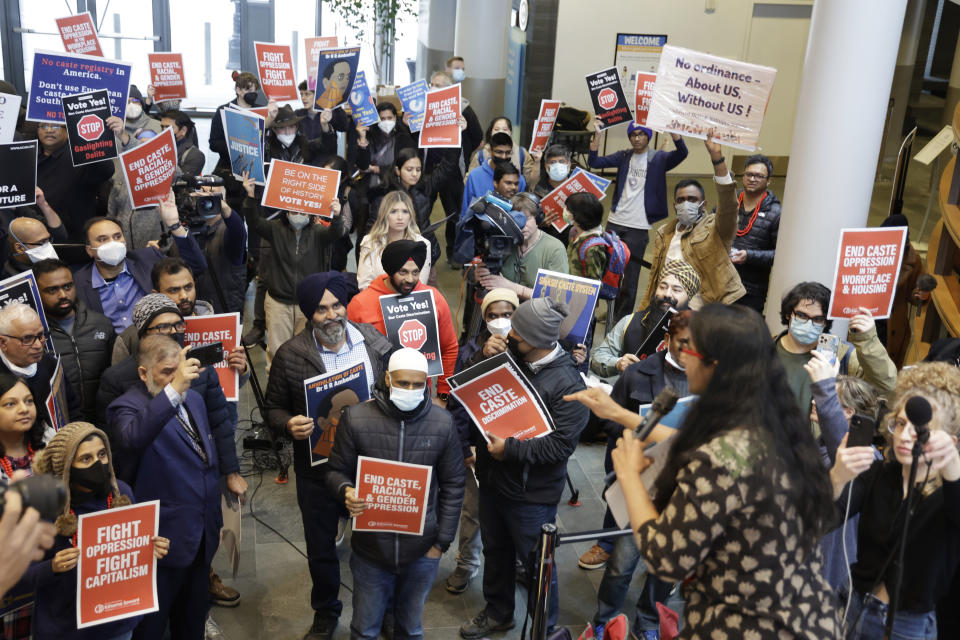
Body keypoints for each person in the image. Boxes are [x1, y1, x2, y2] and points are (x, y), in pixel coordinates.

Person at [567, 303, 842, 638]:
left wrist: (628, 476)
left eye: (691, 348)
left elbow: (666, 557)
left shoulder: (724, 453)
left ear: (715, 364)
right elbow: (687, 441)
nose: (684, 357)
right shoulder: (768, 421)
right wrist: (617, 413)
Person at [264, 272, 393, 640]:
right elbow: (272, 408)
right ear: (309, 314)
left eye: (337, 305)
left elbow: (393, 387)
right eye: (321, 309)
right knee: (321, 548)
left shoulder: (373, 341)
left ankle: (383, 608)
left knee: (378, 544)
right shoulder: (291, 354)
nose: (332, 315)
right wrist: (288, 424)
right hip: (318, 470)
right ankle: (325, 612)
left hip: (370, 462)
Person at [460, 297, 589, 638]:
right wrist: (480, 357)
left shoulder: (569, 384)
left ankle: (544, 628)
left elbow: (561, 445)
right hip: (492, 480)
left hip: (531, 495)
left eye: (517, 329)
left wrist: (512, 450)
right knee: (496, 551)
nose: (509, 332)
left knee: (536, 566)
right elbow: (467, 388)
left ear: (537, 339)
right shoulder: (511, 356)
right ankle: (498, 612)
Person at [327, 348, 466, 639]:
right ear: (388, 378)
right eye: (403, 383)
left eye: (418, 384)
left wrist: (439, 544)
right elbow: (334, 472)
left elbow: (454, 485)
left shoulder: (442, 424)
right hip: (370, 552)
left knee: (410, 630)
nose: (411, 390)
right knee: (364, 630)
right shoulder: (356, 419)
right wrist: (346, 490)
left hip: (422, 552)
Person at [831, 362, 960, 640]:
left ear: (949, 439)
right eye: (900, 423)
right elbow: (823, 518)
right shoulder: (880, 474)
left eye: (919, 428)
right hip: (852, 604)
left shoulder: (948, 494)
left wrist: (952, 467)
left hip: (906, 626)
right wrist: (837, 477)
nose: (904, 435)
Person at [106, 335, 223, 640]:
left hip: (201, 535)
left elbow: (205, 458)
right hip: (159, 542)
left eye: (178, 370)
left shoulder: (194, 399)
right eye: (166, 373)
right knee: (152, 629)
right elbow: (132, 438)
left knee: (193, 621)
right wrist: (171, 392)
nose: (177, 379)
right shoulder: (126, 407)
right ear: (143, 373)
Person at [588, 311, 694, 639]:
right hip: (641, 483)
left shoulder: (711, 380)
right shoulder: (637, 374)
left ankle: (648, 621)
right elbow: (609, 421)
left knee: (664, 568)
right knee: (622, 562)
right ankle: (605, 617)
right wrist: (635, 436)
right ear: (667, 341)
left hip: (682, 490)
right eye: (683, 344)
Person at [25, 421, 170, 640]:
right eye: (86, 458)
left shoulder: (122, 494)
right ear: (65, 466)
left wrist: (152, 548)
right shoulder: (44, 508)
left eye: (102, 455)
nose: (98, 463)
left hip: (118, 625)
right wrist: (52, 567)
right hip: (65, 630)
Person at [444, 288, 519, 594]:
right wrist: (463, 449)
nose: (500, 321)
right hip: (477, 449)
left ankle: (519, 566)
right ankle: (466, 564)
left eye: (507, 314)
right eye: (493, 316)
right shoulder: (469, 352)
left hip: (516, 447)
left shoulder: (527, 349)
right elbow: (457, 405)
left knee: (515, 512)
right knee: (472, 511)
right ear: (484, 320)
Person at [241, 173, 344, 370]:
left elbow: (336, 233)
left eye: (304, 210)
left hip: (309, 304)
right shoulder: (274, 229)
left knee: (307, 352)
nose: (299, 213)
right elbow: (254, 222)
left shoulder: (318, 233)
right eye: (294, 209)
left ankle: (302, 391)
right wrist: (250, 197)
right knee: (277, 353)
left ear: (311, 212)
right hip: (278, 303)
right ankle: (276, 394)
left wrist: (337, 216)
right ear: (285, 210)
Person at [588, 122, 689, 321]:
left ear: (648, 137)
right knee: (608, 273)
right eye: (633, 134)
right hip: (615, 222)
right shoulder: (624, 156)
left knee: (630, 278)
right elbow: (594, 161)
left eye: (642, 134)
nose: (637, 138)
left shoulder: (659, 159)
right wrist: (597, 135)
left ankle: (619, 320)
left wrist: (675, 131)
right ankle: (606, 311)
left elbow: (682, 153)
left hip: (639, 226)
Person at [347, 240, 459, 403]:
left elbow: (449, 347)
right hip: (375, 397)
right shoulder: (360, 304)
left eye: (415, 272)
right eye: (403, 272)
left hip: (420, 394)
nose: (410, 279)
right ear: (390, 270)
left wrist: (443, 395)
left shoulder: (434, 298)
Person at [641, 136, 745, 307]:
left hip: (702, 309)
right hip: (667, 305)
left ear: (703, 204)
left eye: (692, 199)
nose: (685, 204)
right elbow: (654, 278)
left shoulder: (716, 228)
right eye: (681, 200)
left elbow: (729, 206)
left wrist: (717, 159)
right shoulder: (664, 232)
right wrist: (644, 311)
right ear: (675, 205)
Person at [806, 356, 880, 593]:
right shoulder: (816, 446)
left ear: (848, 412)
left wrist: (824, 387)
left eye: (825, 399)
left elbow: (839, 440)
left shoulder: (863, 455)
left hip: (831, 576)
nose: (814, 402)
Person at [775, 281, 897, 417]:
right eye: (802, 315)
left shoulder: (842, 355)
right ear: (788, 314)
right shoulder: (766, 347)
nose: (809, 323)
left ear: (826, 322)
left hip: (817, 437)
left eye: (818, 319)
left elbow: (886, 389)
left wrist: (867, 340)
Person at [73, 213, 207, 333]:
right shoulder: (77, 283)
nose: (112, 243)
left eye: (117, 236)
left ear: (124, 240)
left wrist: (175, 225)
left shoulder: (148, 258)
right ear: (89, 250)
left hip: (160, 343)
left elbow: (196, 267)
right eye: (102, 239)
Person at [33, 259, 115, 420]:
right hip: (60, 424)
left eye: (67, 286)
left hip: (104, 420)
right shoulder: (34, 336)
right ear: (37, 292)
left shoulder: (101, 324)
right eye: (52, 290)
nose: (63, 295)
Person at [590, 261, 700, 378]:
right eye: (662, 287)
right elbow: (597, 358)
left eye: (676, 290)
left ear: (688, 297)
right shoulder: (630, 322)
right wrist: (617, 363)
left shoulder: (698, 334)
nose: (667, 294)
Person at [360, 142, 460, 271]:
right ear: (397, 170)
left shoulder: (424, 187)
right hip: (392, 256)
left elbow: (447, 167)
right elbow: (372, 229)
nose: (414, 174)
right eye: (409, 169)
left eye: (418, 170)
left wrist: (457, 138)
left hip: (423, 253)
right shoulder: (384, 195)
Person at [422, 69, 483, 269]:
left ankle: (453, 252)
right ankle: (420, 249)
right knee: (420, 209)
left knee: (454, 213)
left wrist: (463, 151)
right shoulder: (422, 107)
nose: (434, 88)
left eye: (439, 85)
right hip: (427, 169)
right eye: (433, 84)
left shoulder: (464, 108)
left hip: (453, 170)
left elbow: (477, 138)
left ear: (451, 89)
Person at [474, 193, 568, 300]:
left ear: (538, 219)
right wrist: (482, 277)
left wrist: (513, 288)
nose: (521, 225)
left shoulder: (554, 249)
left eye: (526, 219)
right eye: (514, 220)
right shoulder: (503, 241)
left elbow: (556, 298)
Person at [0, 303, 81, 426]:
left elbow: (73, 410)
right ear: (3, 343)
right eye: (27, 339)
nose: (38, 345)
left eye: (40, 336)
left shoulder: (50, 364)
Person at [35, 122, 115, 243]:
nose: (49, 130)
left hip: (74, 239)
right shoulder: (29, 154)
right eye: (44, 126)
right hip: (36, 236)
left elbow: (106, 170)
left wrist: (89, 140)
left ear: (68, 131)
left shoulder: (80, 153)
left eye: (56, 126)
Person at [185, 183, 248, 316]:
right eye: (201, 193)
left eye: (212, 194)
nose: (206, 198)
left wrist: (223, 207)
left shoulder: (227, 232)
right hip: (195, 312)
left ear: (224, 200)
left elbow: (238, 231)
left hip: (224, 313)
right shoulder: (188, 232)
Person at [729, 154, 781, 312]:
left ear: (769, 180)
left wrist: (749, 256)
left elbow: (779, 255)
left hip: (750, 291)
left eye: (759, 176)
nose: (752, 179)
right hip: (721, 282)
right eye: (749, 174)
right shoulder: (731, 200)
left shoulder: (776, 213)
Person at [357, 191, 432, 289]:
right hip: (376, 300)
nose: (400, 217)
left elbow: (420, 286)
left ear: (411, 215)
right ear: (384, 215)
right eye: (393, 211)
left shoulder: (422, 244)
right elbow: (364, 285)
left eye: (405, 211)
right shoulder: (369, 242)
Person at [461, 133, 528, 219]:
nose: (504, 157)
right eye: (499, 152)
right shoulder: (474, 176)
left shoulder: (519, 179)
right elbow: (465, 212)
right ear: (490, 151)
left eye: (508, 153)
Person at [467, 116, 540, 187]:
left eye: (505, 129)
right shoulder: (480, 155)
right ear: (491, 132)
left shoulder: (521, 153)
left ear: (510, 132)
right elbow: (469, 181)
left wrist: (537, 162)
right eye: (497, 129)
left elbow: (531, 182)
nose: (500, 132)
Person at [264, 105, 338, 167]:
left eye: (291, 127)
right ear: (274, 129)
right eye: (282, 128)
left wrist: (324, 125)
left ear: (296, 127)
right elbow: (257, 138)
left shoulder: (305, 146)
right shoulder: (267, 147)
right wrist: (269, 120)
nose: (287, 132)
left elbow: (327, 145)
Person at [532, 144, 575, 245]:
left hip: (572, 243)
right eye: (552, 162)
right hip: (546, 242)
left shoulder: (578, 187)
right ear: (546, 165)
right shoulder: (538, 190)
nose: (557, 165)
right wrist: (540, 222)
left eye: (561, 161)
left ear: (569, 164)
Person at [565, 192, 608, 280]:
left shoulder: (592, 249)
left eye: (567, 209)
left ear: (577, 215)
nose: (564, 210)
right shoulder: (574, 231)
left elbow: (594, 283)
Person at [159, 109, 206, 176]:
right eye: (162, 127)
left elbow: (181, 182)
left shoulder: (195, 155)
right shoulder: (159, 148)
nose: (164, 131)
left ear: (183, 130)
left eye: (168, 128)